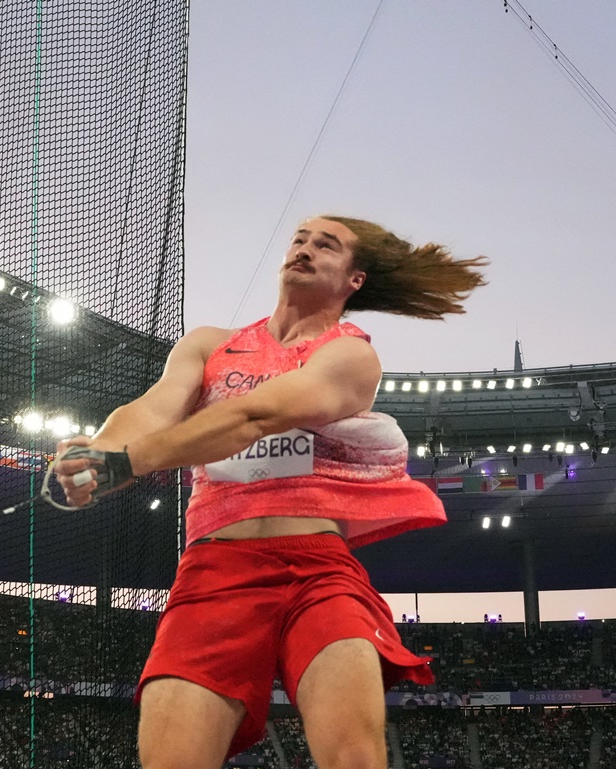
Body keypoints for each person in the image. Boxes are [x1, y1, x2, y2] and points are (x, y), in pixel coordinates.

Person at [53, 216, 487, 769]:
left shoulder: (351, 355)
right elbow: (152, 409)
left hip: (316, 570)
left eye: (325, 246)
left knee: (354, 756)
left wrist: (130, 463)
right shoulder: (210, 345)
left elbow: (258, 415)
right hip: (215, 572)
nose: (304, 249)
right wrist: (98, 450)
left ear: (355, 279)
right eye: (300, 239)